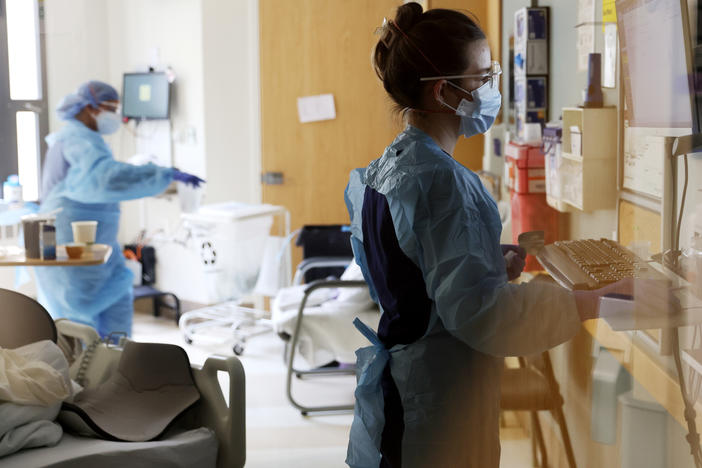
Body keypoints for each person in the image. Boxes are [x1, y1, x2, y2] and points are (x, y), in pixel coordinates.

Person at [344, 4, 665, 467]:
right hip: (442, 403)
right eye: (482, 77)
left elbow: (410, 271)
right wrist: (599, 300)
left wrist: (486, 259)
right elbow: (487, 318)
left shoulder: (388, 167)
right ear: (444, 92)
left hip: (409, 387)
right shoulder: (445, 182)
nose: (490, 90)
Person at [35, 80, 203, 338]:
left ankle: (116, 370)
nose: (116, 116)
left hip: (98, 246)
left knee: (118, 297)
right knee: (76, 324)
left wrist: (161, 175)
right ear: (90, 108)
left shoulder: (90, 140)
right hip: (68, 247)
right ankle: (82, 376)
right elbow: (105, 179)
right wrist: (161, 174)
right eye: (110, 108)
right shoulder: (75, 139)